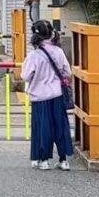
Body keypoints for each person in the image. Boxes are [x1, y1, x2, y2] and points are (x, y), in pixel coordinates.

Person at [20, 20, 75, 170]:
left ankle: (43, 159)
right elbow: (67, 72)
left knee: (43, 127)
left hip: (40, 96)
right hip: (57, 95)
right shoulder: (58, 51)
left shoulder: (34, 55)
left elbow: (25, 76)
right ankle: (63, 160)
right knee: (60, 127)